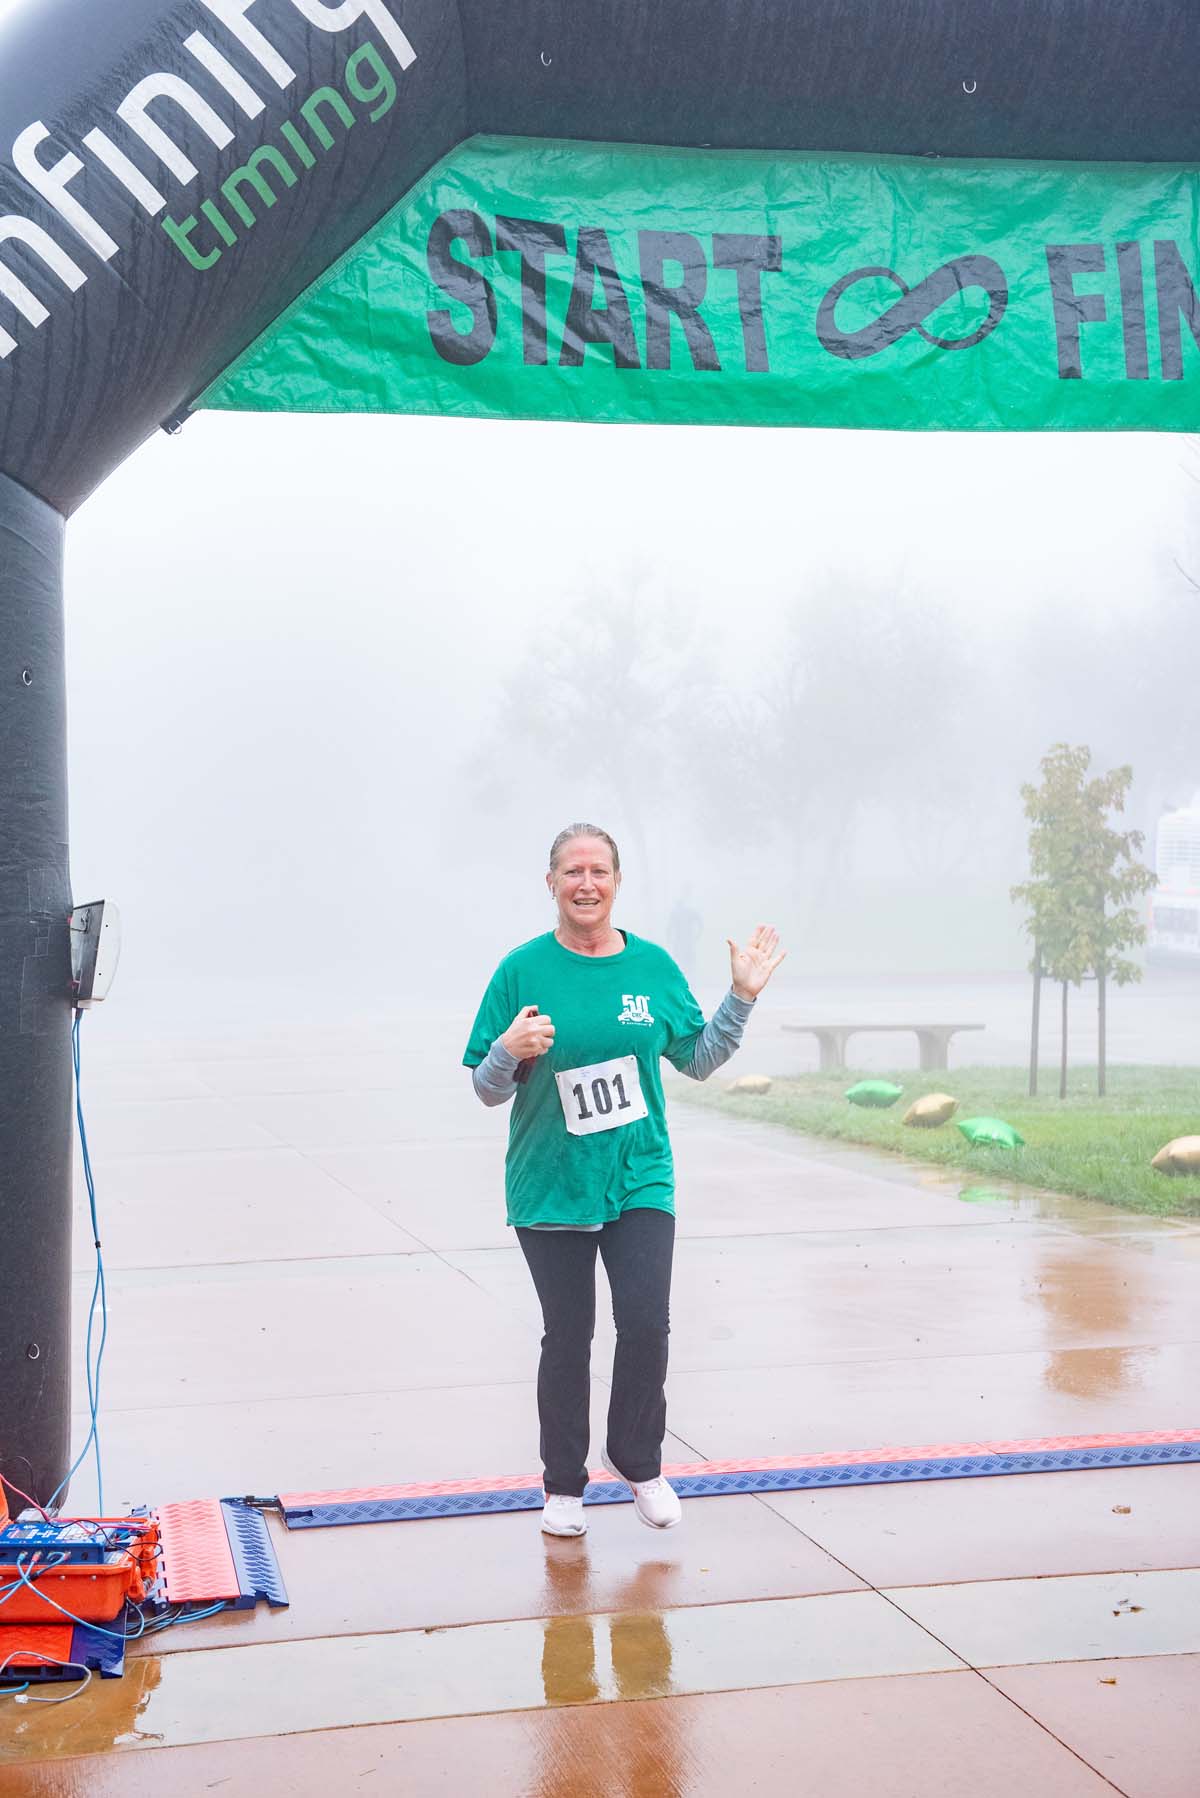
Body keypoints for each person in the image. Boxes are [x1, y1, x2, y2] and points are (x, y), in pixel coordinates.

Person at [463, 823, 785, 1537]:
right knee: (568, 1336)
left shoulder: (652, 968)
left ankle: (637, 1460)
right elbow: (486, 1087)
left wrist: (741, 997)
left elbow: (698, 1059)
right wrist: (510, 1053)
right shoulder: (522, 971)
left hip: (640, 1177)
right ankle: (563, 1486)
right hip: (551, 1185)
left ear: (616, 882)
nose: (586, 883)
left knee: (645, 1324)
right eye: (572, 871)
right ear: (551, 882)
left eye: (599, 871)